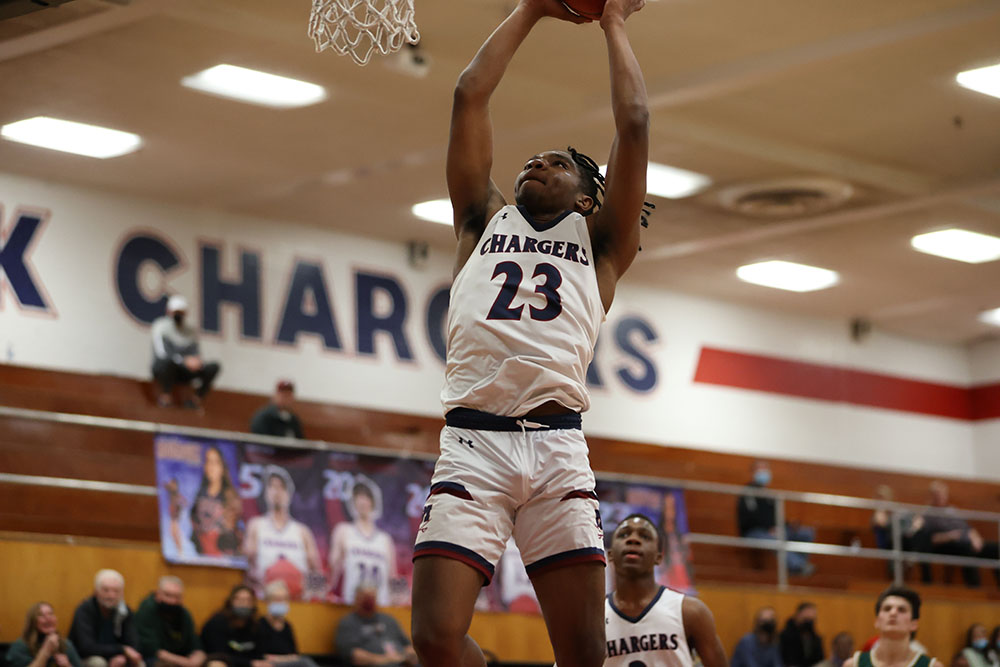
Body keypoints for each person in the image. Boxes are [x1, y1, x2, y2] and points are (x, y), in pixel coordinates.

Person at [410, 0, 652, 664]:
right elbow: (468, 94)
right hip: (472, 444)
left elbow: (633, 125)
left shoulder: (603, 244)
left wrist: (613, 22)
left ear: (586, 197)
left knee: (583, 656)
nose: (536, 163)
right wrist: (531, 9)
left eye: (556, 162)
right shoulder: (481, 220)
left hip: (556, 451)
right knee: (434, 637)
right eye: (532, 160)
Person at [598, 514, 726, 667]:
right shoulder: (594, 617)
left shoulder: (690, 611)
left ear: (659, 557)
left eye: (644, 536)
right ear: (610, 554)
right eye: (624, 534)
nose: (633, 539)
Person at [245, 466, 322, 600]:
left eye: (281, 487)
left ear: (289, 493)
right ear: (266, 492)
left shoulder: (302, 531)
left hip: (298, 599)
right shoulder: (256, 526)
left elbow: (316, 571)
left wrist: (311, 595)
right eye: (272, 487)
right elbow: (247, 565)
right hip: (266, 598)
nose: (277, 492)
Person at [737, 461, 815, 576]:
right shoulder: (748, 492)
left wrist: (787, 525)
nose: (764, 473)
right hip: (755, 532)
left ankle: (797, 567)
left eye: (766, 470)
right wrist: (769, 529)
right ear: (753, 472)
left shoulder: (769, 494)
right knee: (773, 540)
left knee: (806, 533)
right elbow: (749, 517)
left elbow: (775, 517)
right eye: (760, 470)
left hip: (774, 530)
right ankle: (797, 566)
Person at [329, 480, 398, 605]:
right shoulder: (343, 531)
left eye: (366, 497)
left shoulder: (385, 539)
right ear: (353, 502)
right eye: (358, 497)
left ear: (373, 502)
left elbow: (392, 575)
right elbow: (333, 569)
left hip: (380, 603)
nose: (362, 501)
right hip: (351, 603)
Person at [919, 481, 999, 587]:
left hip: (967, 541)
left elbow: (968, 528)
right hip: (947, 546)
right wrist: (949, 536)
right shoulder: (927, 514)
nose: (940, 496)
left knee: (995, 549)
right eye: (937, 494)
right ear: (931, 496)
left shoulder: (952, 510)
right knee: (966, 548)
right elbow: (928, 539)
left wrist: (976, 539)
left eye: (943, 494)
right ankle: (974, 587)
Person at [842, 586, 941, 667]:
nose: (893, 613)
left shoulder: (932, 665)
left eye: (901, 610)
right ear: (877, 621)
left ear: (913, 624)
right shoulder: (854, 664)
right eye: (887, 608)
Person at [151, 295, 221, 410]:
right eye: (176, 312)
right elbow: (162, 353)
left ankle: (195, 400)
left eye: (181, 312)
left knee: (213, 367)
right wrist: (183, 361)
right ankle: (165, 397)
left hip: (184, 371)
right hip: (165, 369)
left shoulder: (190, 331)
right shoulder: (160, 327)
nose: (179, 315)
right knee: (167, 363)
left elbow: (195, 354)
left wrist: (197, 363)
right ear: (169, 311)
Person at [69, 570, 143, 667]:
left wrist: (123, 656)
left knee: (138, 662)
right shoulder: (85, 610)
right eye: (106, 590)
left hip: (116, 656)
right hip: (86, 658)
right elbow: (87, 647)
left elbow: (134, 642)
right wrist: (122, 650)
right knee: (98, 663)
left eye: (116, 591)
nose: (111, 596)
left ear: (122, 593)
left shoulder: (124, 611)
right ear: (96, 591)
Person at [335, 583, 418, 667]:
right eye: (365, 597)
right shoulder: (348, 623)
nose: (369, 601)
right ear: (357, 599)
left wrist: (409, 656)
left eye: (372, 597)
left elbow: (408, 646)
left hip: (402, 662)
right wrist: (385, 660)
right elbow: (354, 655)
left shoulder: (389, 620)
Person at [133, 576, 204, 667]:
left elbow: (195, 644)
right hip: (153, 659)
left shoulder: (184, 614)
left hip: (182, 659)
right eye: (168, 595)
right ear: (158, 594)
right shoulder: (146, 610)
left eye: (177, 597)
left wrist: (197, 657)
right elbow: (153, 650)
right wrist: (186, 663)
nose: (172, 601)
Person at [189, 445, 244, 558]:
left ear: (222, 467)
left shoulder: (230, 495)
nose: (211, 467)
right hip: (202, 550)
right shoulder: (200, 494)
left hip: (224, 551)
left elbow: (234, 523)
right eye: (208, 462)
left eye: (215, 462)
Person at [255, 581, 317, 667]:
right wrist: (287, 659)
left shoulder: (287, 626)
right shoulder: (259, 625)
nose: (281, 602)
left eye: (284, 599)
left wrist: (286, 659)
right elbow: (261, 656)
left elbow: (295, 654)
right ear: (267, 601)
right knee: (305, 662)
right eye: (277, 599)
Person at [199, 586, 263, 667]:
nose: (244, 604)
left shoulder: (255, 625)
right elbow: (217, 655)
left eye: (248, 600)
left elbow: (259, 654)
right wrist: (249, 663)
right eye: (239, 600)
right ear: (230, 601)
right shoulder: (216, 623)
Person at [6, 602, 83, 667]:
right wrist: (45, 652)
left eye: (51, 614)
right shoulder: (21, 646)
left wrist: (68, 665)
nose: (48, 618)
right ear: (33, 622)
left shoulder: (66, 644)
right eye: (41, 615)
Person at [657, 490, 693, 592]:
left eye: (672, 508)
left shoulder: (681, 538)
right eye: (667, 507)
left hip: (682, 585)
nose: (669, 512)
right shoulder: (658, 537)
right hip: (664, 584)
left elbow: (688, 564)